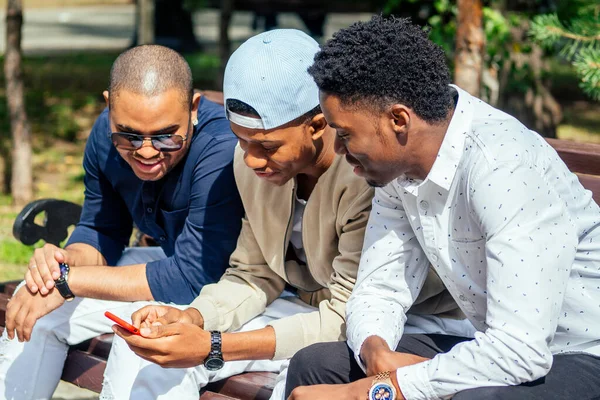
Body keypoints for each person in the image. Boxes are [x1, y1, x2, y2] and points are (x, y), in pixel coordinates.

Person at [100, 29, 465, 400]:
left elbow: (348, 316)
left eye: (267, 145)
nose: (251, 159)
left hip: (402, 327)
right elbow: (252, 273)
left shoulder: (366, 176)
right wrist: (195, 319)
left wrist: (212, 345)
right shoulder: (251, 164)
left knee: (302, 376)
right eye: (240, 140)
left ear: (318, 123)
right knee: (155, 358)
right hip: (302, 309)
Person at [285, 16, 600, 400]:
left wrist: (379, 390)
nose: (338, 149)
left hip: (581, 354)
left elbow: (522, 351)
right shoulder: (398, 169)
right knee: (315, 366)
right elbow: (380, 288)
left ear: (398, 120)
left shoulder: (502, 166)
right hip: (498, 346)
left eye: (346, 134)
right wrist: (376, 352)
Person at [0, 45, 244, 400]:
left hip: (238, 286)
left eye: (165, 136)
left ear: (193, 109)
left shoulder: (220, 146)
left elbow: (194, 275)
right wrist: (62, 266)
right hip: (174, 269)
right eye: (128, 135)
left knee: (145, 343)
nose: (146, 151)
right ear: (108, 106)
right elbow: (102, 230)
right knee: (33, 297)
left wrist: (71, 282)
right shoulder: (104, 134)